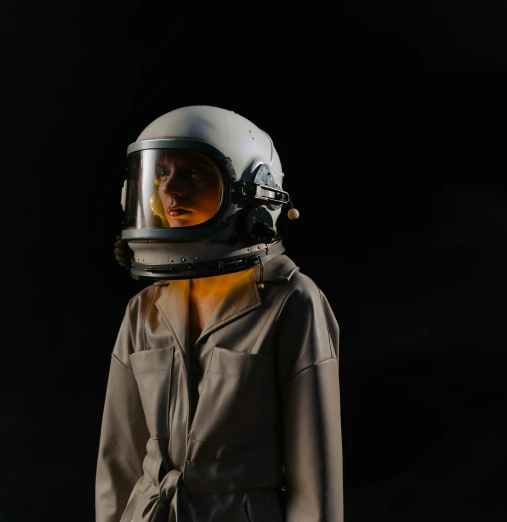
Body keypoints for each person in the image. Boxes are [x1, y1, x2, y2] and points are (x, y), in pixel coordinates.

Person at [96, 105, 342, 522]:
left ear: (253, 191)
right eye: (161, 173)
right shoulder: (145, 310)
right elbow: (118, 460)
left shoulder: (291, 301)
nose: (171, 190)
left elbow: (314, 473)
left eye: (193, 173)